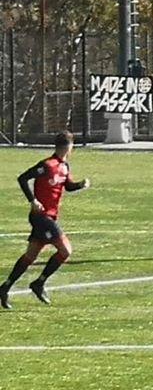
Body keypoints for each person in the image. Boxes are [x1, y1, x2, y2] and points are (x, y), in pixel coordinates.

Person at [0, 131, 89, 309]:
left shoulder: (65, 166)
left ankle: (5, 288)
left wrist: (79, 185)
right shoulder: (47, 165)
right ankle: (39, 283)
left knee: (30, 255)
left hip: (49, 216)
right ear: (69, 147)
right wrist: (33, 200)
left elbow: (68, 186)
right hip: (41, 217)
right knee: (65, 250)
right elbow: (23, 178)